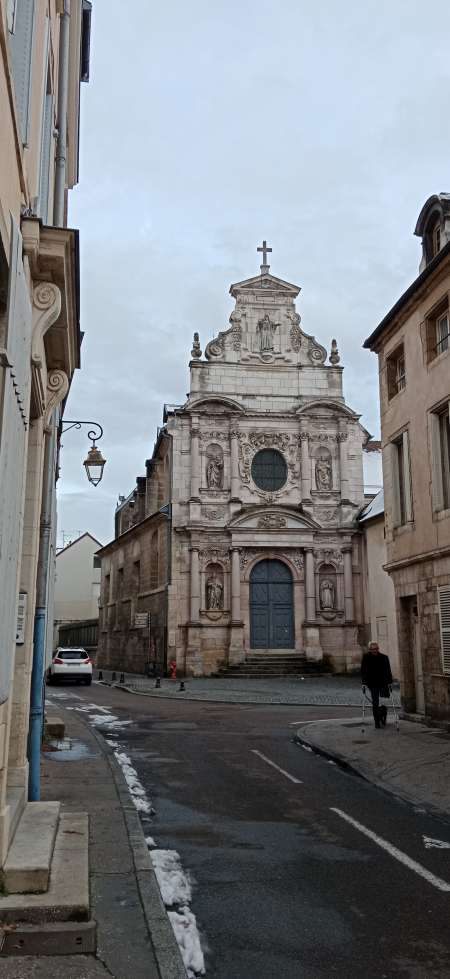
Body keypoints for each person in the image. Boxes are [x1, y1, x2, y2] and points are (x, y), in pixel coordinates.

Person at [361, 641, 393, 729]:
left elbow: (388, 670)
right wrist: (363, 683)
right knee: (375, 702)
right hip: (372, 683)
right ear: (370, 649)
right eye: (372, 649)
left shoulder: (384, 657)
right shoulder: (366, 657)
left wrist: (390, 681)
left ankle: (382, 713)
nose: (374, 650)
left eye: (376, 649)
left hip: (383, 682)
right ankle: (377, 721)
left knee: (384, 698)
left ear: (378, 649)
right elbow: (363, 671)